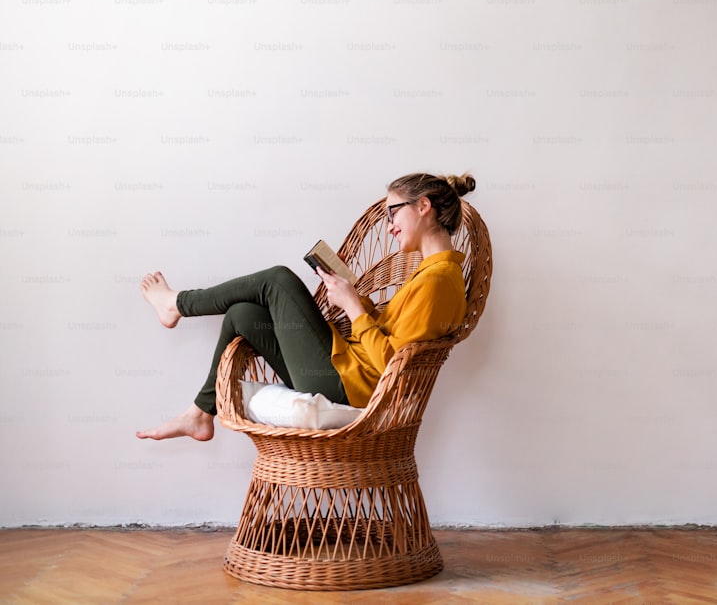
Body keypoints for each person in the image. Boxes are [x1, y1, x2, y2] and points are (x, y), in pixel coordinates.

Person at [136, 172, 474, 441]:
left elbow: (392, 366)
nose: (389, 225)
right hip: (344, 371)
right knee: (243, 314)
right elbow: (392, 336)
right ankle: (200, 414)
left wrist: (354, 308)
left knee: (278, 279)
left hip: (348, 386)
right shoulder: (432, 274)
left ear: (423, 206)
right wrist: (349, 291)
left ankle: (177, 304)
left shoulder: (439, 280)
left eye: (393, 212)